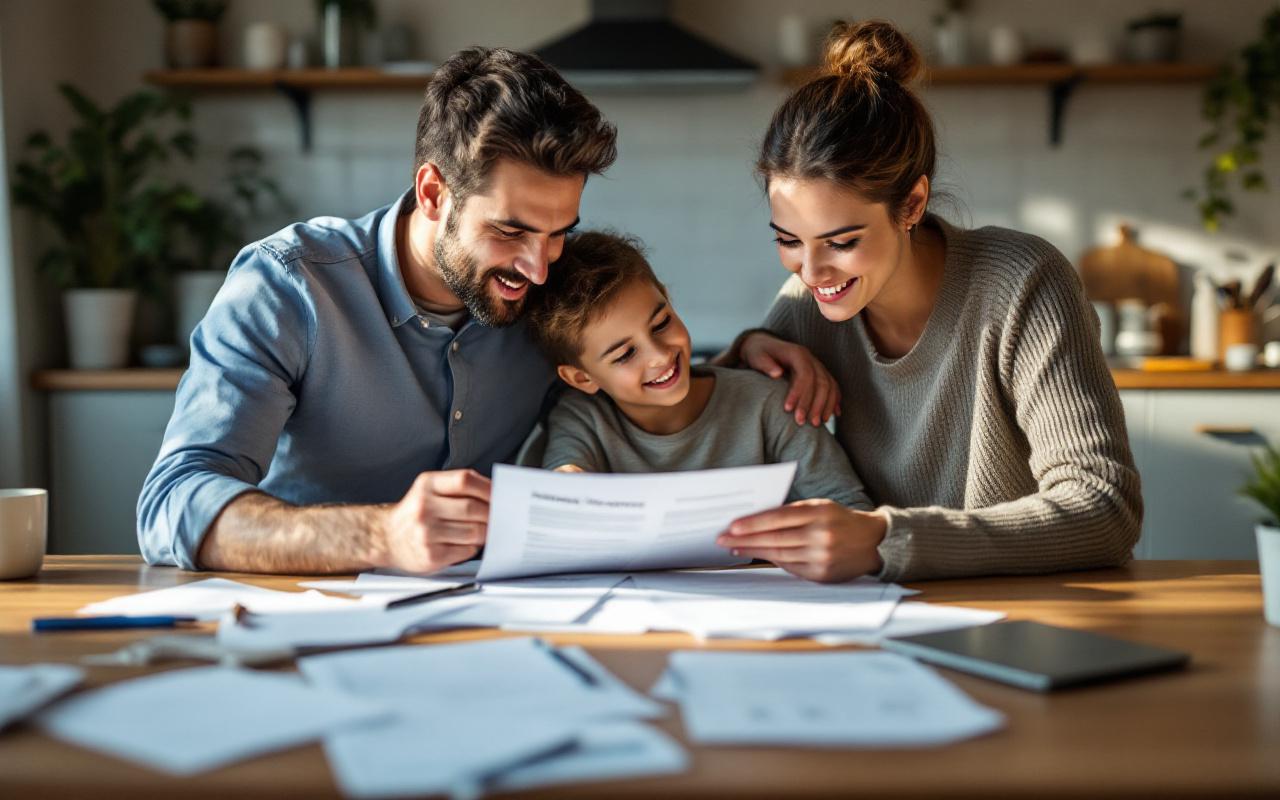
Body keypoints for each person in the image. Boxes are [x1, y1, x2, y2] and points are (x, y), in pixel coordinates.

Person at [137, 46, 836, 576]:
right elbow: (172, 502)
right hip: (302, 625)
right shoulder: (289, 288)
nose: (538, 267)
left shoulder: (541, 295)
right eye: (510, 232)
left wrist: (741, 354)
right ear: (435, 192)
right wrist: (380, 535)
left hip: (493, 623)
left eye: (558, 232)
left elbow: (627, 376)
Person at [715, 20, 1143, 583]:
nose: (814, 271)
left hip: (1038, 609)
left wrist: (887, 540)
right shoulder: (807, 302)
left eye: (843, 242)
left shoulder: (1021, 283)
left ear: (912, 202)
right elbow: (704, 430)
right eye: (788, 241)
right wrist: (749, 350)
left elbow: (1105, 507)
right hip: (887, 615)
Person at [525, 230, 872, 513]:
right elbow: (564, 488)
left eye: (661, 323)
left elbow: (852, 510)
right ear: (582, 378)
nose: (659, 356)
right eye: (626, 353)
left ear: (666, 297)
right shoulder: (581, 417)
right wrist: (567, 486)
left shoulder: (768, 403)